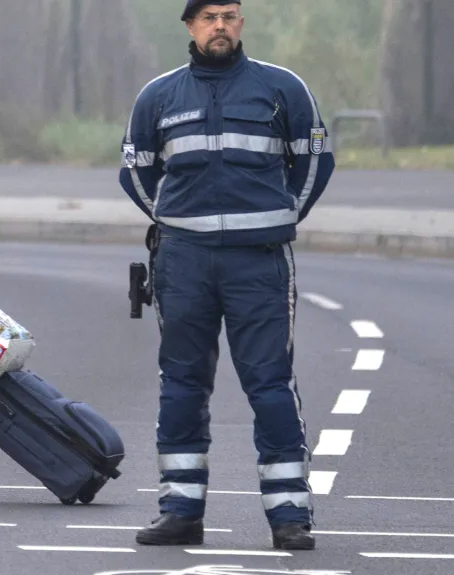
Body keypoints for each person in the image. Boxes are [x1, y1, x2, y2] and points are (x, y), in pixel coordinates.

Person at [118, 0, 335, 551]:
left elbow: (315, 161)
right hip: (184, 263)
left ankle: (289, 516)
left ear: (242, 24)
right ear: (190, 26)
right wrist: (174, 224)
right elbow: (136, 171)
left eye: (231, 15)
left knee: (269, 385)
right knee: (183, 384)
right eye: (210, 16)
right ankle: (180, 511)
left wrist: (282, 217)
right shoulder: (158, 95)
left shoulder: (283, 88)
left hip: (258, 261)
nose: (221, 26)